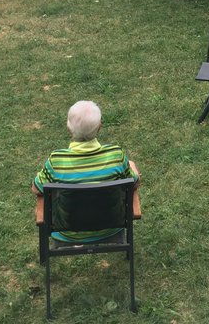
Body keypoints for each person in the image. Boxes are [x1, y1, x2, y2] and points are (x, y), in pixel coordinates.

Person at [32, 100, 140, 243]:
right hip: (111, 227)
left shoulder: (56, 161)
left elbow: (37, 189)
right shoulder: (116, 155)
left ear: (68, 128)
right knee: (131, 165)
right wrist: (132, 166)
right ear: (100, 127)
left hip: (67, 231)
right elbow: (134, 183)